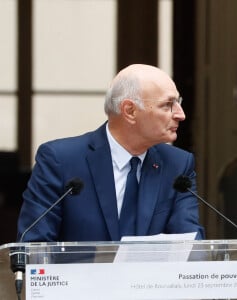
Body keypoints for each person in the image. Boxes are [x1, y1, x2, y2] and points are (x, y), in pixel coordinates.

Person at [17, 64, 205, 242]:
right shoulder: (60, 160)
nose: (181, 114)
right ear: (130, 111)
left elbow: (190, 244)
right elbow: (34, 244)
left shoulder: (178, 165)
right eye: (167, 105)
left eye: (178, 103)